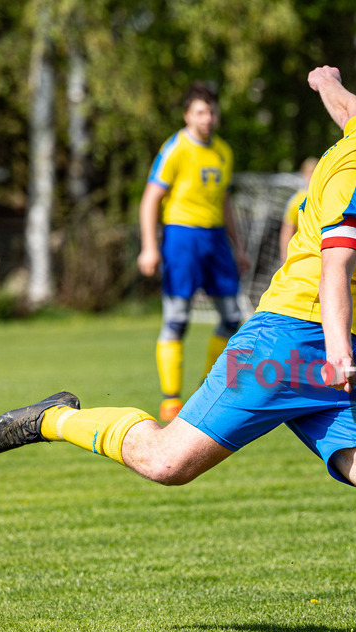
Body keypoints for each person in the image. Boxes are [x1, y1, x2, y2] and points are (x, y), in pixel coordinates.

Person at [0, 57, 356, 632]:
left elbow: (352, 111)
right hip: (290, 342)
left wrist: (324, 82)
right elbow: (337, 266)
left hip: (336, 355)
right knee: (166, 462)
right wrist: (334, 347)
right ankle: (54, 417)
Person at [137, 82, 250, 423]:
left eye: (212, 111)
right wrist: (149, 246)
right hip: (181, 238)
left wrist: (238, 246)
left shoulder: (223, 152)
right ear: (188, 115)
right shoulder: (176, 148)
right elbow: (150, 198)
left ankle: (208, 391)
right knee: (177, 319)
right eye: (201, 111)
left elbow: (225, 202)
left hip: (216, 240)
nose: (208, 118)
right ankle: (171, 401)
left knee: (233, 319)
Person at [279, 157, 318, 263]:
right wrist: (285, 258)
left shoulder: (324, 197)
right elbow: (287, 230)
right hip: (301, 254)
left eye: (314, 172)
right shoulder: (296, 200)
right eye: (308, 173)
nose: (311, 177)